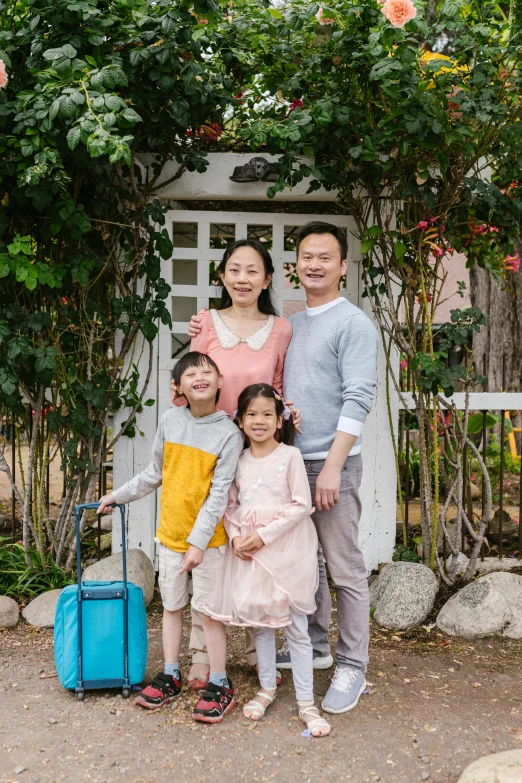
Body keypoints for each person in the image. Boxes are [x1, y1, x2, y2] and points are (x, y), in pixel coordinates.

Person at [171, 238, 297, 691]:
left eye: (253, 271)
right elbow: (191, 377)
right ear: (222, 276)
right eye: (234, 270)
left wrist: (287, 410)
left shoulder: (281, 329)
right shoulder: (205, 322)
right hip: (208, 451)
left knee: (250, 546)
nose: (243, 278)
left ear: (267, 279)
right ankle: (203, 653)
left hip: (257, 452)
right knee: (211, 549)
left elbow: (279, 385)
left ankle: (254, 646)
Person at [98, 351, 243, 723]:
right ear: (177, 387)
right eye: (190, 373)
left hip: (209, 543)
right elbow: (154, 472)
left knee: (208, 612)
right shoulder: (169, 420)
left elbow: (218, 495)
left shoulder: (229, 434)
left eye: (207, 371)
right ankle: (171, 673)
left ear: (220, 381)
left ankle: (219, 681)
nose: (199, 376)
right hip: (170, 537)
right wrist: (116, 496)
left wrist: (197, 542)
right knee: (173, 607)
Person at [279, 221, 379, 715]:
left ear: (343, 266)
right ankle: (315, 646)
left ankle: (352, 665)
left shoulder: (353, 323)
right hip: (292, 462)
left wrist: (335, 466)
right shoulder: (294, 323)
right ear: (295, 265)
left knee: (344, 567)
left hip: (331, 462)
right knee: (306, 562)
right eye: (307, 257)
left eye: (325, 257)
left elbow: (359, 397)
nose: (314, 264)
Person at [204, 383, 330, 738]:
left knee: (295, 628)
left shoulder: (289, 456)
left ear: (279, 420)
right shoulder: (238, 461)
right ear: (240, 420)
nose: (259, 421)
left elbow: (301, 505)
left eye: (267, 414)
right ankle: (267, 689)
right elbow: (230, 507)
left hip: (285, 551)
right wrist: (235, 537)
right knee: (259, 625)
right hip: (249, 553)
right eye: (251, 414)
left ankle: (307, 703)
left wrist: (264, 535)